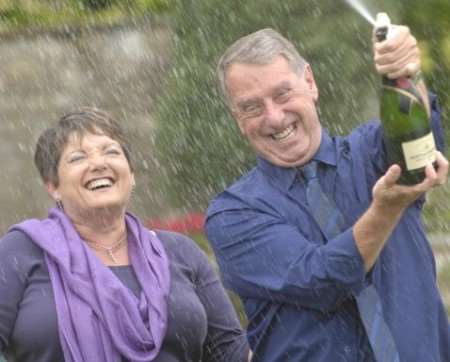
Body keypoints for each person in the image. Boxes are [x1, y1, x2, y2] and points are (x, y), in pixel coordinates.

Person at [205, 24, 450, 362]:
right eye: (252, 107)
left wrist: (406, 74)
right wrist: (385, 210)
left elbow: (422, 150)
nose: (274, 118)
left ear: (310, 83)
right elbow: (322, 279)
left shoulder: (372, 155)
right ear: (237, 118)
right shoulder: (233, 214)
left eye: (282, 94)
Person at [0, 108, 249, 362]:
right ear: (53, 187)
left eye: (111, 152)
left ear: (131, 176)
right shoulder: (20, 251)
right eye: (77, 158)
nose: (98, 163)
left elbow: (228, 350)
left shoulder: (179, 251)